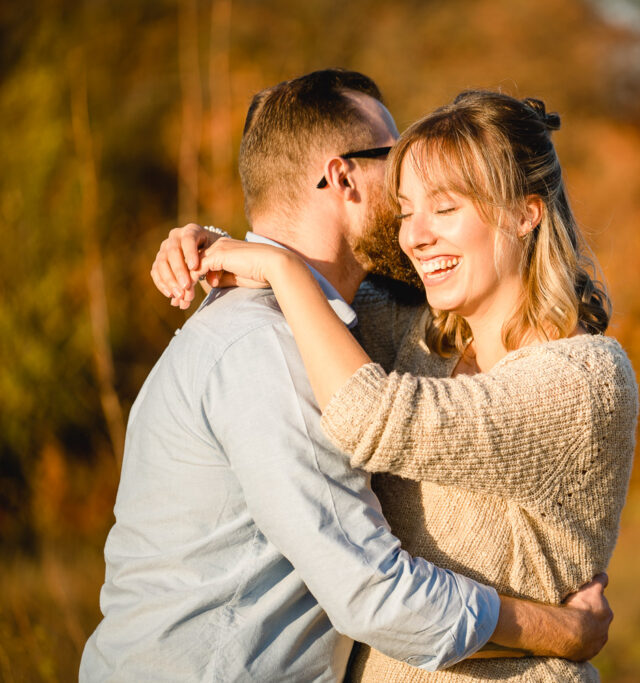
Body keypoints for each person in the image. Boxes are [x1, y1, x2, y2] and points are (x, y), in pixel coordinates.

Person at [82, 69, 611, 682]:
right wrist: (563, 630)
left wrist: (237, 251)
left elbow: (483, 274)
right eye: (393, 158)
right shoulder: (271, 347)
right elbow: (374, 595)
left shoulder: (347, 325)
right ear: (342, 178)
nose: (412, 177)